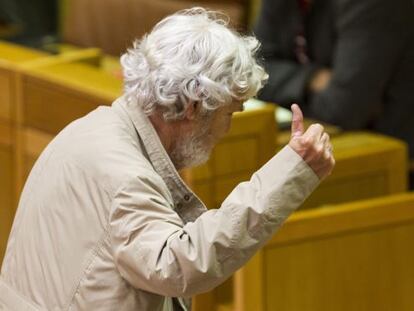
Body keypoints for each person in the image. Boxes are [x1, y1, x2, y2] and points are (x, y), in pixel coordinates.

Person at [0, 8, 335, 311]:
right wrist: (292, 172)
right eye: (229, 113)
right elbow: (180, 266)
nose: (227, 130)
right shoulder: (126, 176)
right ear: (193, 107)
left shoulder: (89, 128)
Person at [254, 0, 414, 160]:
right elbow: (254, 71)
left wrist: (281, 88)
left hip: (386, 156)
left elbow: (343, 109)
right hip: (322, 135)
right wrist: (311, 78)